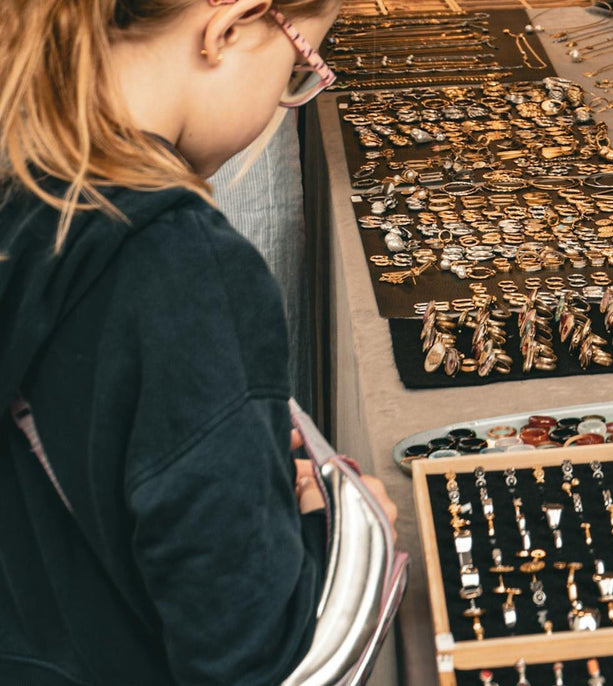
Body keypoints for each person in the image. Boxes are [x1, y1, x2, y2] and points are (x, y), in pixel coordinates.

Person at [0, 1, 397, 684]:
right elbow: (251, 660)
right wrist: (348, 543)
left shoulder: (27, 184)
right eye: (298, 67)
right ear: (228, 28)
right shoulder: (184, 272)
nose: (285, 94)